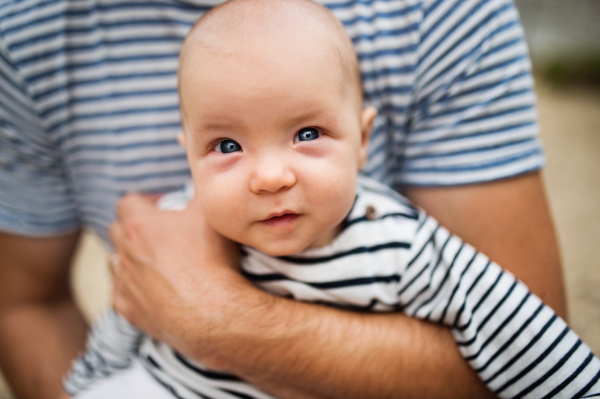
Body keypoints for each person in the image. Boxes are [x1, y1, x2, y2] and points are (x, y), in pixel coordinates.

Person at [0, 0, 568, 398]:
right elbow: (116, 327)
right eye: (226, 145)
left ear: (363, 139)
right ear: (190, 158)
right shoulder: (168, 225)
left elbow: (527, 337)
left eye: (307, 134)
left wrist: (212, 319)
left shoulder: (399, 242)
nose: (270, 176)